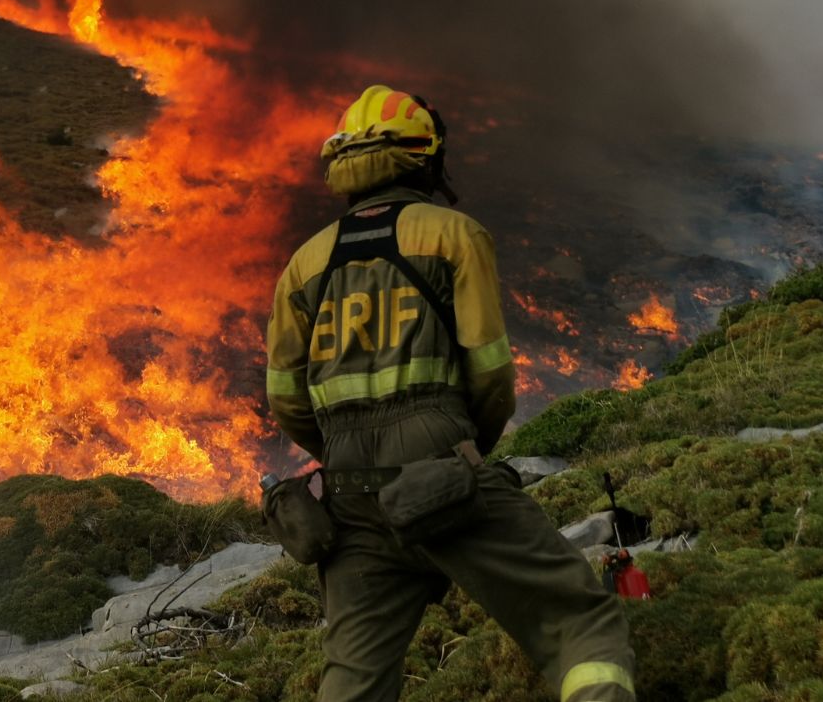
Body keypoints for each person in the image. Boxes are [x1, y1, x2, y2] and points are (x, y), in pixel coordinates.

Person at [265, 86, 635, 702]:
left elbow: (285, 397)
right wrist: (463, 454)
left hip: (349, 496)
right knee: (581, 622)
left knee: (352, 685)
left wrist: (341, 450)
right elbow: (490, 375)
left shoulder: (303, 265)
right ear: (426, 159)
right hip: (442, 468)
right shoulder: (453, 235)